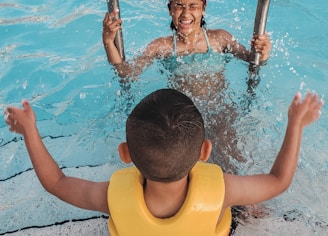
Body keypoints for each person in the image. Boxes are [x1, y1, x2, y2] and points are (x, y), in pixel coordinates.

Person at [4, 88, 323, 235]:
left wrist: (30, 130)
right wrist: (295, 124)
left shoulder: (111, 199)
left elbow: (55, 182)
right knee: (242, 208)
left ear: (125, 154)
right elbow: (279, 180)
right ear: (205, 151)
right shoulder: (223, 190)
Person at [103, 0, 272, 173]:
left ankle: (239, 194)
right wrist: (109, 42)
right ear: (170, 10)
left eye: (193, 6)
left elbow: (252, 61)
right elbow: (127, 74)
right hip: (183, 118)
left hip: (219, 110)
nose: (185, 13)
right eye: (179, 5)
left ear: (203, 9)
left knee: (230, 158)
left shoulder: (220, 39)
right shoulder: (162, 46)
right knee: (187, 166)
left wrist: (263, 53)